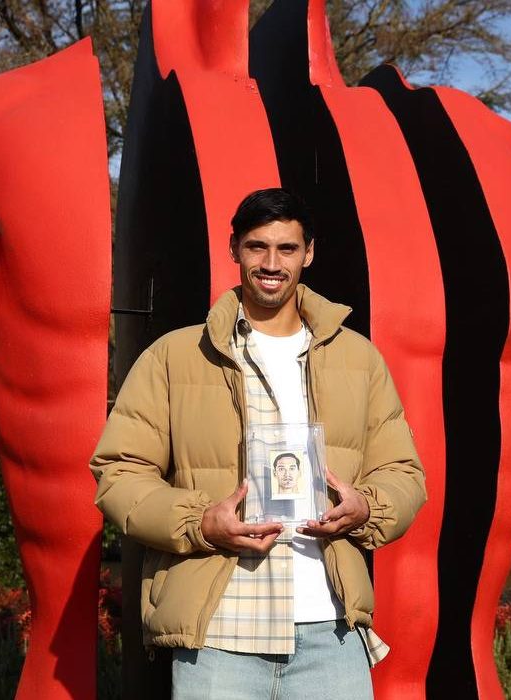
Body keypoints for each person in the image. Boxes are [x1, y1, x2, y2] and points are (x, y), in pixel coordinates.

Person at [90, 188, 425, 699]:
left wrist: (368, 508)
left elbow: (402, 473)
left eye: (287, 248)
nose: (271, 263)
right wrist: (200, 522)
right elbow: (119, 472)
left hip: (331, 629)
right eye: (257, 247)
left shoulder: (359, 359)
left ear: (308, 253)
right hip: (219, 634)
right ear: (234, 249)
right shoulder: (174, 356)